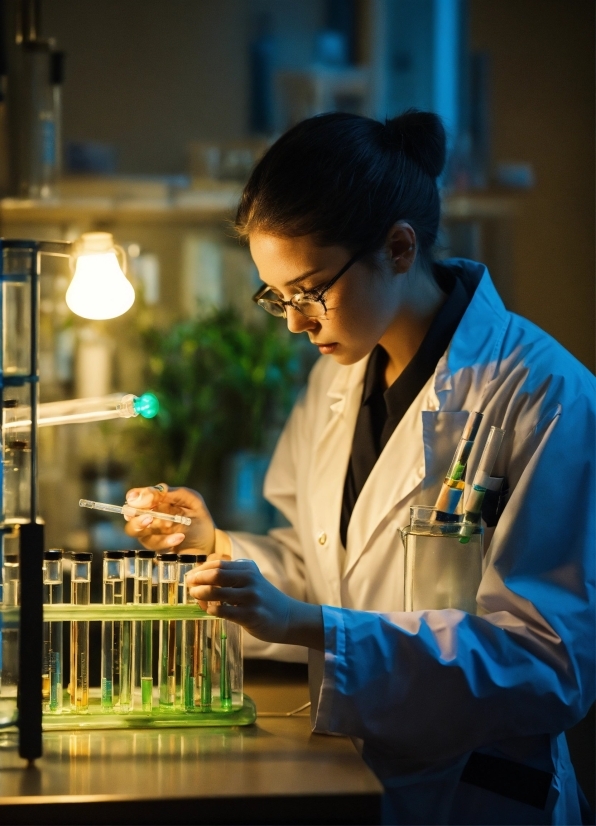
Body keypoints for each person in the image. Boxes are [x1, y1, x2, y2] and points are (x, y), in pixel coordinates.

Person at [125, 111, 595, 825]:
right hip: (355, 775)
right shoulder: (339, 377)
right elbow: (326, 571)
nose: (294, 321)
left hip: (477, 793)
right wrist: (216, 546)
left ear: (399, 248)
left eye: (309, 291)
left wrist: (318, 627)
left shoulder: (544, 394)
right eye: (277, 296)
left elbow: (547, 664)